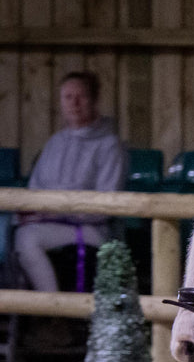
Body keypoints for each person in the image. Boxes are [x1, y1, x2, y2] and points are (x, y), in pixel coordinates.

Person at [14, 71, 126, 292]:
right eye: (67, 97)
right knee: (17, 233)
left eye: (81, 96)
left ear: (93, 100)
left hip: (90, 227)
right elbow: (35, 188)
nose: (74, 103)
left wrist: (54, 213)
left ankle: (54, 310)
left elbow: (106, 202)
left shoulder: (110, 145)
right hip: (48, 222)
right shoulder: (55, 142)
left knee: (28, 240)